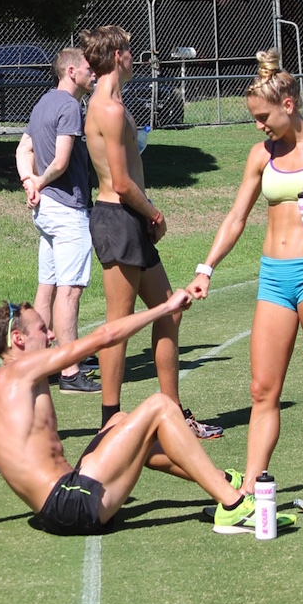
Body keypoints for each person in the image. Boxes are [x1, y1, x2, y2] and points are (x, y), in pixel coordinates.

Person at [0, 294, 283, 536]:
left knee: (120, 423)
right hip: (73, 504)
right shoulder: (23, 369)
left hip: (59, 507)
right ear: (18, 339)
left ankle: (218, 480)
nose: (49, 337)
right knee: (161, 405)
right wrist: (163, 309)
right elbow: (102, 338)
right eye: (43, 330)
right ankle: (233, 506)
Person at [186, 49, 303, 513]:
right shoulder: (260, 154)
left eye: (263, 117)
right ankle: (250, 490)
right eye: (254, 119)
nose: (259, 126)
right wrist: (205, 268)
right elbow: (236, 216)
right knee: (261, 389)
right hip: (274, 277)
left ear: (288, 104)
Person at [80, 25, 220, 439]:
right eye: (130, 50)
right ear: (118, 55)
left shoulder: (114, 103)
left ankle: (172, 412)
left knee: (170, 308)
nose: (134, 57)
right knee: (119, 324)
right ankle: (109, 421)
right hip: (118, 217)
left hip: (128, 217)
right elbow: (121, 182)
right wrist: (154, 215)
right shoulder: (109, 108)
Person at [14, 47, 100, 395]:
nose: (93, 73)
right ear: (70, 71)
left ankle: (41, 363)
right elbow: (61, 162)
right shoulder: (68, 106)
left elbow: (22, 151)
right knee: (70, 291)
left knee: (46, 288)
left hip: (45, 210)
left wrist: (28, 182)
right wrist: (40, 181)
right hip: (66, 210)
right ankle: (69, 371)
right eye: (88, 68)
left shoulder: (43, 102)